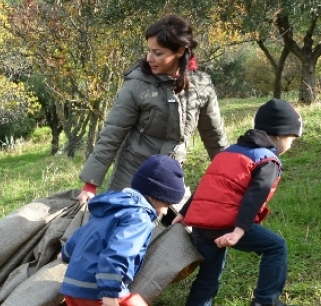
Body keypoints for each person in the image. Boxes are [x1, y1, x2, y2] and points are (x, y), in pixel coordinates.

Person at [174, 98, 304, 306]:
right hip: (228, 224)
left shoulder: (228, 152)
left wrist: (184, 213)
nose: (291, 144)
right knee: (276, 247)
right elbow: (253, 198)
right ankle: (265, 303)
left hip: (202, 224)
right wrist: (239, 231)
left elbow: (207, 185)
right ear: (278, 134)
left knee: (209, 275)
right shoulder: (267, 160)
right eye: (292, 138)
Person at [59, 155, 187, 306]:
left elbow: (82, 235)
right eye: (166, 205)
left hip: (74, 287)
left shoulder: (112, 206)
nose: (164, 212)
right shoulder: (139, 217)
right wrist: (110, 292)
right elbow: (119, 252)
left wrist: (65, 253)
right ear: (154, 196)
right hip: (97, 288)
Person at [77, 15, 227, 206]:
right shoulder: (137, 84)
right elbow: (112, 134)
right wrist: (90, 184)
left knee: (181, 225)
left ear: (180, 51)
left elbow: (214, 137)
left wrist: (230, 178)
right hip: (131, 179)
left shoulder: (201, 85)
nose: (149, 58)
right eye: (149, 51)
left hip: (169, 181)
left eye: (157, 53)